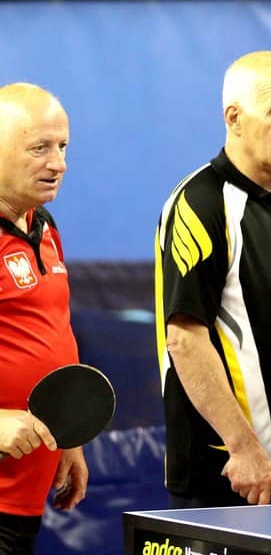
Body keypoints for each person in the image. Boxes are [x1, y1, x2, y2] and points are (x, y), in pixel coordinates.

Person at [155, 51, 271, 508]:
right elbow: (184, 340)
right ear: (234, 118)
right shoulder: (201, 203)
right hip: (226, 472)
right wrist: (242, 446)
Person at [0, 83, 88, 553]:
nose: (59, 164)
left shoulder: (44, 226)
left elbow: (51, 331)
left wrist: (67, 433)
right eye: (40, 148)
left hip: (24, 497)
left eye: (63, 147)